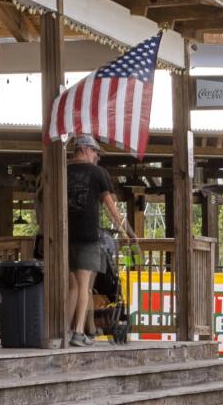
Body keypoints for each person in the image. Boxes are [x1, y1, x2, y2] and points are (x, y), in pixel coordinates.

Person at [63, 133, 133, 344]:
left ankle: (64, 331)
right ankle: (77, 332)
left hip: (63, 237)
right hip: (87, 236)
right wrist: (127, 231)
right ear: (84, 149)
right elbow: (111, 207)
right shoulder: (98, 173)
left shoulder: (61, 171)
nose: (97, 156)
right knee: (84, 286)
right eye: (95, 151)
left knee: (72, 287)